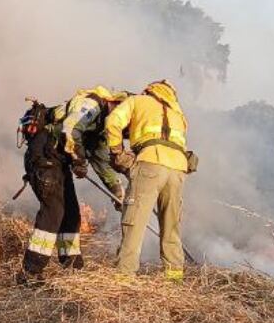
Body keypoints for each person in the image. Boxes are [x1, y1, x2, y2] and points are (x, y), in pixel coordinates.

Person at [17, 87, 130, 283]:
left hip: (59, 163)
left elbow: (102, 162)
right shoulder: (91, 104)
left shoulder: (102, 127)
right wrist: (78, 160)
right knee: (54, 211)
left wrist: (118, 193)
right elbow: (69, 129)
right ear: (117, 105)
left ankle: (71, 266)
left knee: (71, 214)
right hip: (44, 155)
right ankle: (30, 272)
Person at [105, 80, 195, 281]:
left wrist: (117, 153)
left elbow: (112, 122)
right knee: (171, 225)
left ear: (148, 90)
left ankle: (124, 277)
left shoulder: (138, 100)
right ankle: (174, 279)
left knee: (134, 221)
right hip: (178, 169)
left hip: (150, 163)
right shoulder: (178, 113)